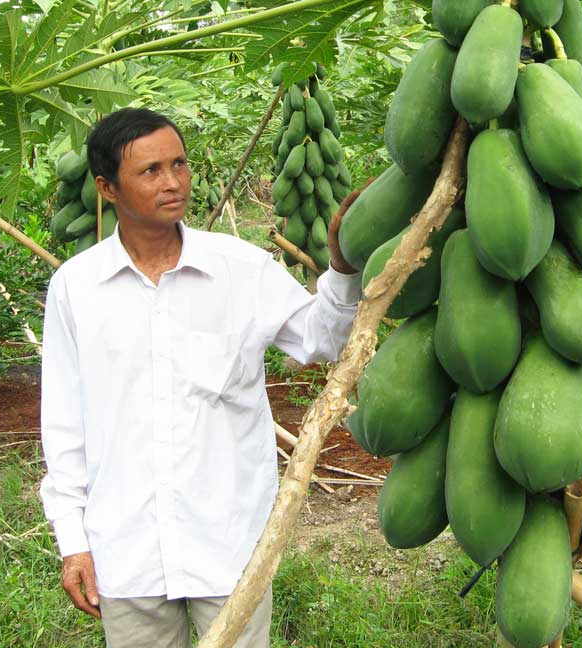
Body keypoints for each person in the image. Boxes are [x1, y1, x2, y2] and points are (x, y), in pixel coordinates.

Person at [38, 107, 360, 647]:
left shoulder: (240, 268)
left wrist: (343, 268)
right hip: (127, 550)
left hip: (229, 544)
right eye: (151, 171)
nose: (173, 182)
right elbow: (64, 425)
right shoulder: (76, 288)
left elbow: (320, 338)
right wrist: (73, 540)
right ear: (107, 188)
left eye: (179, 164)